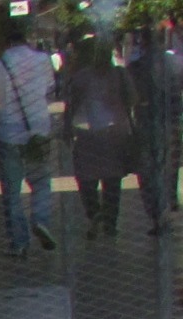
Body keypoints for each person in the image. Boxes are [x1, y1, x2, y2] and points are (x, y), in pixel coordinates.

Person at [0, 21, 59, 256]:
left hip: (7, 134)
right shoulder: (43, 61)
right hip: (37, 131)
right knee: (41, 181)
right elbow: (48, 89)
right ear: (25, 39)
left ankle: (19, 243)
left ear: (4, 42)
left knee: (12, 192)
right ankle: (41, 219)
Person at [63, 37, 135, 238]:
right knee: (112, 181)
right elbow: (133, 100)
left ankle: (94, 213)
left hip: (87, 134)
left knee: (86, 179)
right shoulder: (120, 75)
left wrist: (66, 129)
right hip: (115, 133)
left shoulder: (81, 77)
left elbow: (70, 105)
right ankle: (110, 223)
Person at [127, 28, 183, 235]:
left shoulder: (135, 68)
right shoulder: (177, 64)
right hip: (172, 122)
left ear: (142, 42)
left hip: (146, 123)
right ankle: (168, 207)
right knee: (169, 167)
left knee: (148, 171)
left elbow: (130, 98)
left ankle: (156, 215)